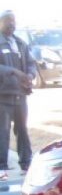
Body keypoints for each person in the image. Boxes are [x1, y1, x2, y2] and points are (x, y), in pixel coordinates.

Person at [0, 10, 35, 181]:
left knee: (22, 130)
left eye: (13, 20)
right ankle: (1, 168)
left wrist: (30, 75)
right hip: (3, 97)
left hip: (21, 96)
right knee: (2, 132)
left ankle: (26, 163)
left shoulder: (20, 43)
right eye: (7, 21)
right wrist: (13, 72)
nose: (11, 24)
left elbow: (30, 63)